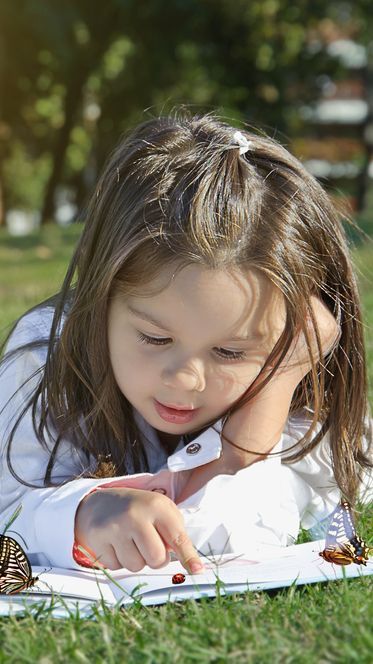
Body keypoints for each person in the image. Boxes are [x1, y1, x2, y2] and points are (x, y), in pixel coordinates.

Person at [0, 113, 371, 574]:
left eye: (230, 352)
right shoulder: (43, 362)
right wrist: (82, 515)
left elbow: (258, 522)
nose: (184, 378)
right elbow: (8, 511)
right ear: (100, 298)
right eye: (155, 337)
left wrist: (265, 409)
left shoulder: (297, 369)